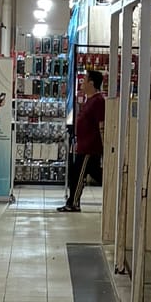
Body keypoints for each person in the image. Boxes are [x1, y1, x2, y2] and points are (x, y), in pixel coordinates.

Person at [64, 69, 106, 211]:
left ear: (92, 83)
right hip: (83, 145)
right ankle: (72, 202)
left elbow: (102, 125)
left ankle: (73, 203)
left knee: (78, 175)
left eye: (85, 79)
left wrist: (104, 146)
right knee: (92, 174)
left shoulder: (98, 101)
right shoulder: (90, 100)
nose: (82, 81)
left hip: (90, 147)